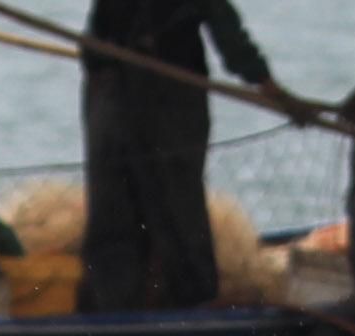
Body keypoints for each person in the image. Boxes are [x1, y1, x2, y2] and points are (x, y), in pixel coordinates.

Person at [79, 0, 279, 312]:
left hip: (149, 90)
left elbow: (224, 26)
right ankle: (170, 308)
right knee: (148, 210)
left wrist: (263, 81)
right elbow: (224, 26)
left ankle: (126, 313)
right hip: (133, 90)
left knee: (152, 210)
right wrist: (265, 82)